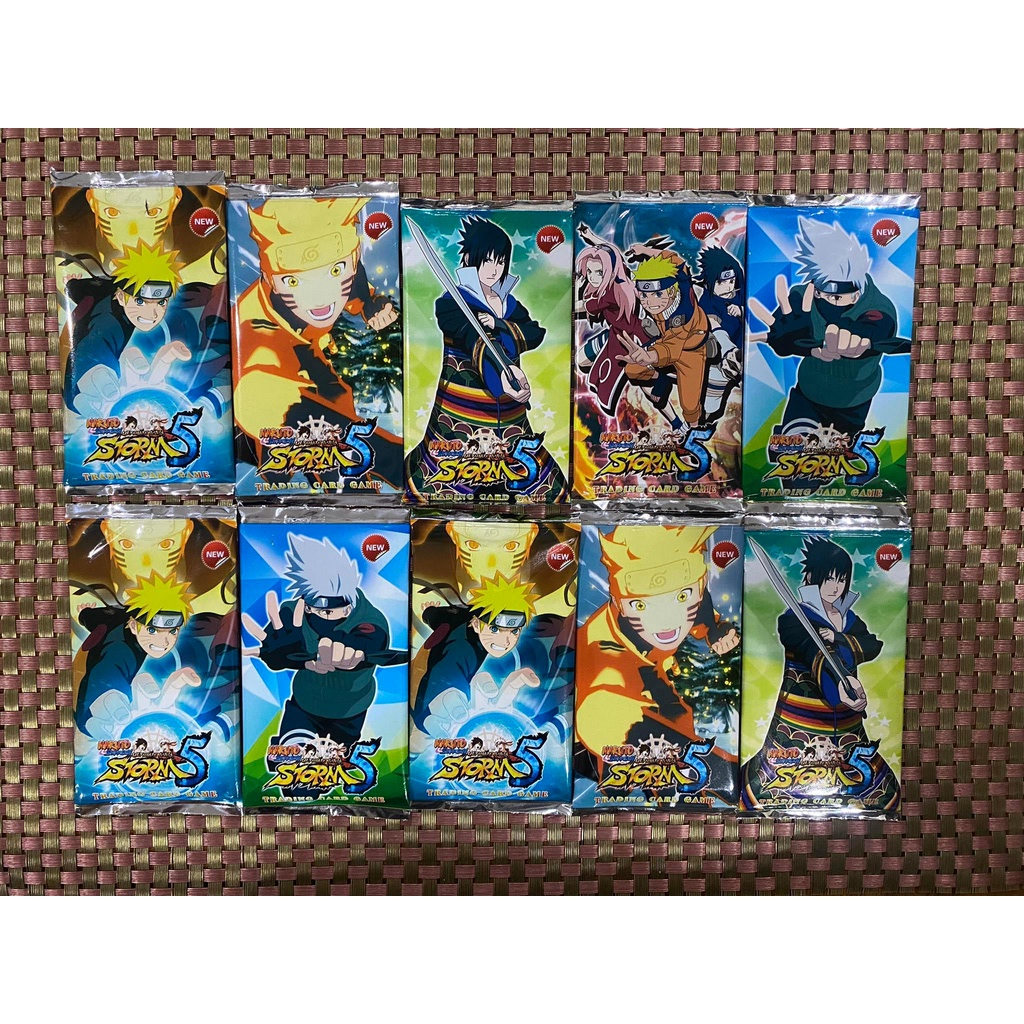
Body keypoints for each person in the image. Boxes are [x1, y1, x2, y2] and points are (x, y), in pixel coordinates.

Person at [234, 196, 401, 487]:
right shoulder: (255, 326)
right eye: (293, 281)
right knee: (300, 419)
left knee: (336, 395)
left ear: (353, 260)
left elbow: (357, 288)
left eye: (335, 271)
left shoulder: (348, 267)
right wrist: (386, 454)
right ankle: (276, 475)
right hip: (273, 358)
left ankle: (338, 477)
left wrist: (371, 304)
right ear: (270, 279)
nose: (321, 296)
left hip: (308, 348)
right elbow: (255, 394)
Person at [405, 216, 567, 500]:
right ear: (469, 259)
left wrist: (500, 324)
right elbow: (472, 337)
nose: (494, 270)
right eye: (487, 261)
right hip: (461, 411)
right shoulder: (450, 304)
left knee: (537, 484)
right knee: (447, 479)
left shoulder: (509, 304)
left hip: (512, 410)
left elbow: (535, 333)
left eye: (500, 262)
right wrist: (501, 376)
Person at [740, 536, 900, 812]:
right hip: (801, 717)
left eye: (841, 580)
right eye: (829, 579)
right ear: (812, 578)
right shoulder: (793, 619)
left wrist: (839, 638)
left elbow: (873, 645)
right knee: (772, 782)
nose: (835, 587)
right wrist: (838, 686)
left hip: (848, 718)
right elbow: (809, 649)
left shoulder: (849, 619)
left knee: (875, 790)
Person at [575, 525, 738, 794]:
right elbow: (599, 711)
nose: (665, 620)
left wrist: (715, 630)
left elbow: (701, 611)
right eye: (640, 605)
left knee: (677, 715)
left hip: (651, 670)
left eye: (682, 596)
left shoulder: (693, 591)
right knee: (620, 731)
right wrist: (719, 768)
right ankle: (617, 789)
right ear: (618, 601)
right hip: (610, 689)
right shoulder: (603, 647)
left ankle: (664, 786)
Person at [748, 217, 910, 436]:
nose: (826, 301)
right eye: (820, 293)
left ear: (856, 293)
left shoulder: (877, 306)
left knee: (840, 451)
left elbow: (879, 325)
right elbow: (783, 337)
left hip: (853, 401)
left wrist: (858, 338)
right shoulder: (801, 299)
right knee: (788, 447)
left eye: (836, 297)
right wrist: (790, 341)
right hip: (808, 393)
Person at [247, 533, 397, 750]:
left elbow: (372, 639)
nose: (319, 616)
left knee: (337, 761)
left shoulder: (368, 618)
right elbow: (275, 650)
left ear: (348, 606)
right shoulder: (293, 615)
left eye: (329, 612)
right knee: (290, 758)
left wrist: (351, 651)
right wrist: (280, 654)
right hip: (304, 703)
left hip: (350, 710)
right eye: (312, 608)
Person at [616, 243, 711, 431]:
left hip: (691, 348)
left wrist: (650, 356)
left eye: (657, 294)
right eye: (644, 296)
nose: (650, 302)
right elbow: (671, 257)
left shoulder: (684, 311)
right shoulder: (675, 281)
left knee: (690, 406)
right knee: (633, 369)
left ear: (672, 291)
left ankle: (695, 432)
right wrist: (645, 251)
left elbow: (672, 348)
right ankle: (662, 380)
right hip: (665, 340)